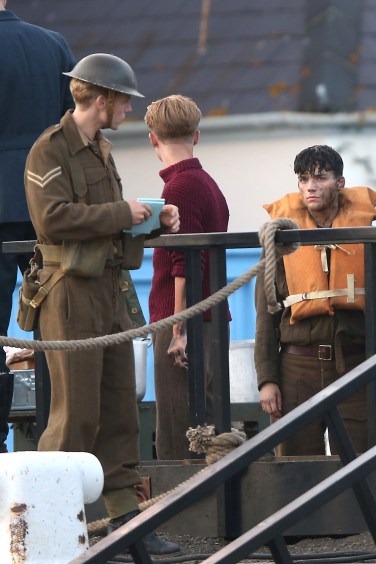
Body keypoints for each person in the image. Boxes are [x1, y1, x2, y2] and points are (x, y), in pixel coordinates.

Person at [24, 53, 181, 554]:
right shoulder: (51, 149)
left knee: (118, 411)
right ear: (102, 98)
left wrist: (150, 220)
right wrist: (122, 211)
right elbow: (53, 218)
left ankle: (127, 525)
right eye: (124, 101)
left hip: (106, 290)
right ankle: (46, 524)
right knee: (75, 414)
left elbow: (102, 219)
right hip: (69, 294)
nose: (130, 110)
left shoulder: (100, 149)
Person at [255, 145, 376, 456]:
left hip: (357, 364)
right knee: (295, 471)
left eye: (320, 178)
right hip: (296, 368)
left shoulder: (369, 237)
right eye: (303, 180)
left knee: (364, 465)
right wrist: (267, 379)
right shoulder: (280, 239)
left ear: (340, 183)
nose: (311, 187)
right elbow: (266, 315)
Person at [0, 0, 75, 453]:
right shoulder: (54, 45)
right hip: (46, 202)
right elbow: (74, 127)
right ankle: (58, 436)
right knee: (53, 325)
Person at [145, 95, 230, 460]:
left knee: (179, 433)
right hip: (209, 316)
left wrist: (178, 329)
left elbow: (185, 264)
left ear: (152, 138)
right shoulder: (206, 181)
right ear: (196, 135)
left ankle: (180, 513)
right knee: (206, 427)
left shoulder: (179, 186)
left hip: (185, 320)